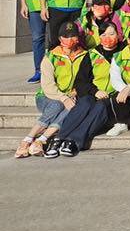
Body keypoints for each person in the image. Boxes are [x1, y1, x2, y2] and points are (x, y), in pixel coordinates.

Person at [46, 22, 124, 157]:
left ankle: (74, 141)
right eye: (104, 34)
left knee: (100, 107)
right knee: (85, 103)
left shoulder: (125, 52)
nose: (108, 38)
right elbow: (81, 81)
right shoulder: (93, 54)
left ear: (118, 35)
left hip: (115, 96)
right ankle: (59, 138)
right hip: (94, 92)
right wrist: (95, 91)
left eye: (112, 34)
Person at [15, 22, 86, 158]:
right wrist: (64, 98)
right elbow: (48, 86)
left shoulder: (84, 55)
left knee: (72, 108)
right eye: (65, 36)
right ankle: (27, 139)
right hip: (47, 97)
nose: (69, 40)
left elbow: (85, 79)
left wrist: (73, 94)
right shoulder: (51, 57)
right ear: (60, 38)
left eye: (73, 36)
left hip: (72, 95)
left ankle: (41, 140)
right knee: (57, 105)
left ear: (78, 38)